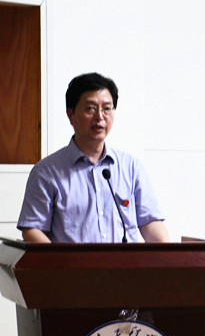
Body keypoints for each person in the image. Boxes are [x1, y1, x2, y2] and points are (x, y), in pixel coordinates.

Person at [17, 72, 169, 243]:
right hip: (71, 262)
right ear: (71, 115)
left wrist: (168, 255)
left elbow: (150, 223)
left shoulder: (131, 167)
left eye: (107, 109)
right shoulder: (46, 172)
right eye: (90, 108)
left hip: (125, 261)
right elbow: (32, 230)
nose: (100, 117)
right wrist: (59, 260)